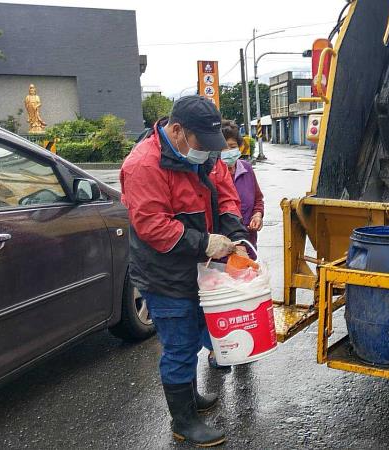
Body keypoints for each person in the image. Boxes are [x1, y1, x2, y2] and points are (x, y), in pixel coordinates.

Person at [120, 96, 250, 447]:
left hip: (198, 270)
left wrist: (235, 234)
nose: (208, 153)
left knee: (193, 335)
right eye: (201, 144)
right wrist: (207, 243)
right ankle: (183, 421)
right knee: (178, 346)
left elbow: (225, 193)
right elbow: (153, 227)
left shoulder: (203, 151)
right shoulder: (144, 165)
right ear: (176, 130)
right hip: (164, 273)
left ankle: (190, 396)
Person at [203, 121, 265, 369]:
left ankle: (243, 345)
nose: (228, 152)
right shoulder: (208, 174)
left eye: (232, 146)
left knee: (242, 298)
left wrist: (258, 215)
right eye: (223, 148)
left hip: (244, 247)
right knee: (219, 301)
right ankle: (216, 349)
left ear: (240, 147)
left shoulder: (246, 170)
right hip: (217, 251)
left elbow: (258, 199)